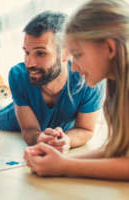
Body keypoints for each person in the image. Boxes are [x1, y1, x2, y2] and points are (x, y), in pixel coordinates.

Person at [24, 0, 129, 180]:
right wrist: (58, 160)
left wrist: (64, 166)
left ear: (110, 48)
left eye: (78, 55)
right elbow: (116, 150)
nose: (74, 68)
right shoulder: (116, 88)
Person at [0, 11, 105, 153]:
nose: (29, 63)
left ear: (66, 53)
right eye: (27, 52)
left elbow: (85, 129)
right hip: (10, 123)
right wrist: (38, 138)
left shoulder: (89, 80)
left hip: (58, 131)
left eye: (41, 53)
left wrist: (67, 140)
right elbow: (29, 129)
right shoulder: (18, 75)